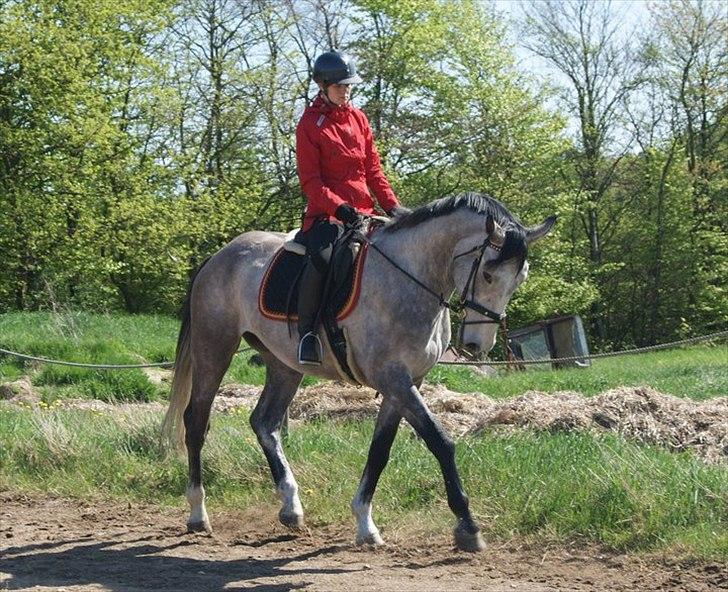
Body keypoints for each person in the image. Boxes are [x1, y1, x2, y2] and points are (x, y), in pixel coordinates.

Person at [295, 49, 410, 365]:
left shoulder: (359, 119)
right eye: (340, 86)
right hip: (327, 216)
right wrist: (339, 208)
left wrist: (392, 206)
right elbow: (311, 183)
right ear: (324, 85)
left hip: (365, 214)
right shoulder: (309, 124)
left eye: (349, 86)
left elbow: (373, 170)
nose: (346, 90)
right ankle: (308, 333)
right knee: (324, 259)